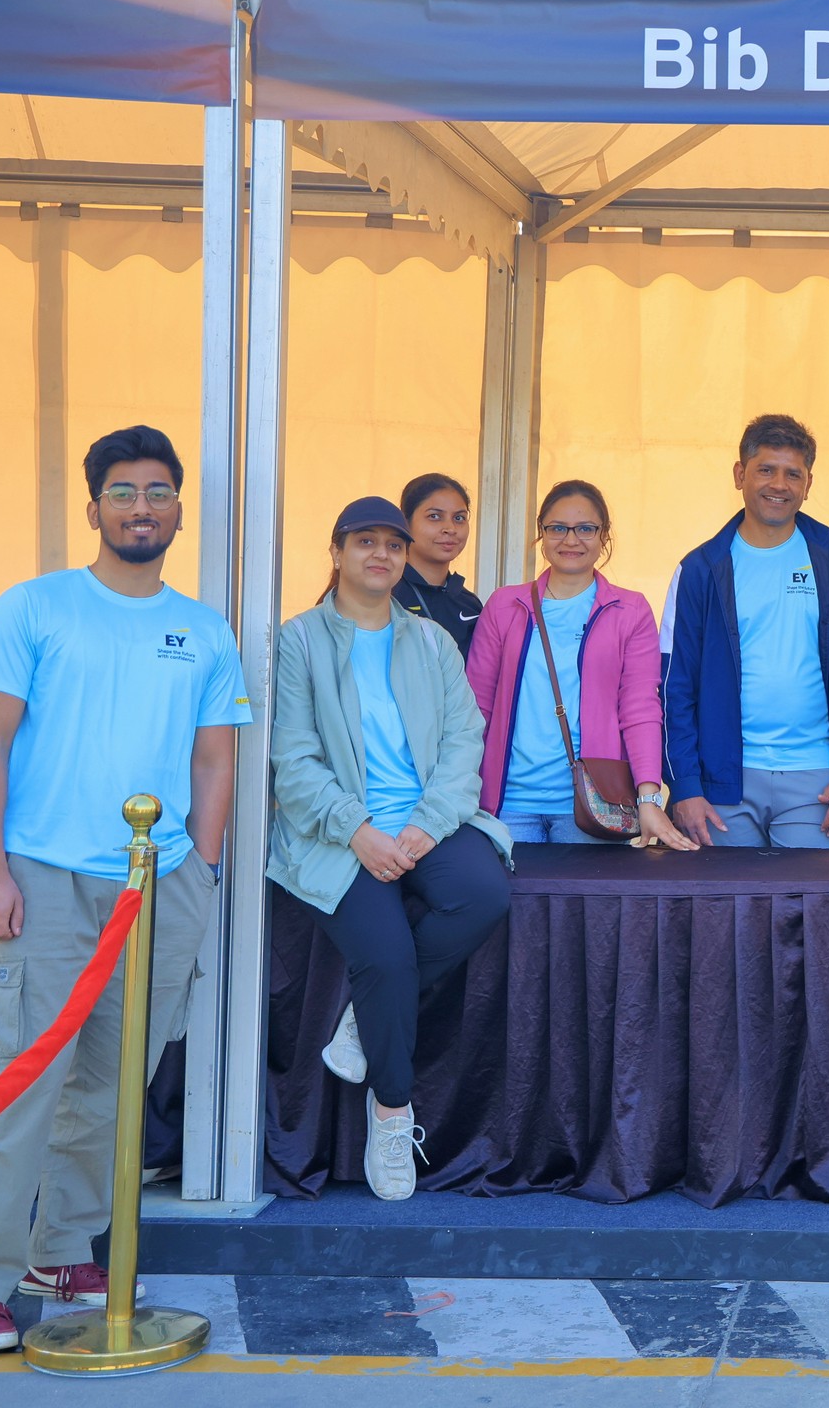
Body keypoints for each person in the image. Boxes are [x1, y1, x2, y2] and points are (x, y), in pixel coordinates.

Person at [0, 426, 249, 1353]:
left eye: (157, 492)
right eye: (123, 492)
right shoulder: (34, 607)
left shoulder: (205, 630)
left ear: (179, 512)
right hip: (43, 875)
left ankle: (60, 1251)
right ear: (93, 509)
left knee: (115, 1088)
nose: (141, 507)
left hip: (157, 883)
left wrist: (201, 868)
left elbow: (214, 758)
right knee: (25, 1084)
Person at [268, 497, 515, 1201]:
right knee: (387, 957)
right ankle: (391, 1113)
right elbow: (293, 758)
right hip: (338, 831)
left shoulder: (430, 641)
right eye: (365, 542)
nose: (381, 554)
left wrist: (429, 824)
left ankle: (361, 1021)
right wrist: (357, 830)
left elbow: (464, 740)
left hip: (425, 821)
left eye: (393, 545)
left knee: (484, 894)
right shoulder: (299, 640)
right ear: (337, 551)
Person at [661, 414, 829, 849]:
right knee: (725, 897)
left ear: (808, 484)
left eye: (793, 474)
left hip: (816, 780)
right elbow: (673, 686)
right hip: (722, 781)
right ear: (740, 474)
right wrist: (684, 785)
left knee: (808, 897)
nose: (779, 484)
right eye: (766, 470)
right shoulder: (700, 569)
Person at [467, 481, 694, 849]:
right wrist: (463, 792)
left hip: (596, 806)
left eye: (585, 528)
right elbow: (477, 707)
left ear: (604, 535)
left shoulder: (630, 610)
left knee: (585, 892)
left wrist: (649, 798)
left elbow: (639, 709)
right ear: (541, 533)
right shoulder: (505, 606)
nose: (571, 540)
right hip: (507, 804)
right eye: (558, 528)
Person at [394, 473, 483, 655]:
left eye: (459, 518)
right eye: (434, 516)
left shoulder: (470, 605)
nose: (450, 529)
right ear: (405, 523)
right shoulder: (385, 595)